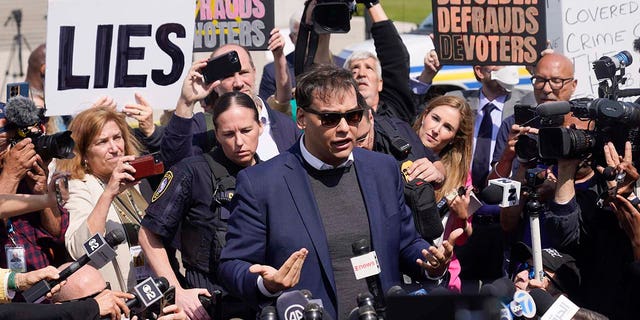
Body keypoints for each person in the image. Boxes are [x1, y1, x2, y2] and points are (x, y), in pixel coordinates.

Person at [219, 65, 462, 319]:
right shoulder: (262, 183)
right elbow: (232, 266)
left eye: (353, 116)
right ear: (301, 118)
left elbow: (406, 243)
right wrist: (266, 284)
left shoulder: (383, 170)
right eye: (330, 119)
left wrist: (431, 263)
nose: (345, 128)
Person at [139, 92, 262, 320]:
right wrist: (177, 292)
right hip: (207, 306)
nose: (239, 142)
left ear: (260, 126)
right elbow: (148, 234)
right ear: (216, 134)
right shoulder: (191, 172)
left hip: (260, 303)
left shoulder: (274, 174)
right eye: (228, 134)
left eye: (246, 130)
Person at [161, 30, 300, 169]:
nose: (238, 82)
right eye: (228, 76)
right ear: (214, 84)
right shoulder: (203, 127)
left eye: (243, 73)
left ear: (254, 72)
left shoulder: (285, 125)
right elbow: (174, 164)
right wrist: (186, 102)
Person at [56, 106, 149, 293]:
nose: (115, 148)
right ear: (84, 155)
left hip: (147, 291)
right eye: (102, 142)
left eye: (117, 137)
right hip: (114, 298)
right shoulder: (77, 185)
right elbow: (81, 249)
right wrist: (109, 194)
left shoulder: (135, 180)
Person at [412, 95, 475, 292]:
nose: (436, 130)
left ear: (454, 138)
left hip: (440, 274)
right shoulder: (392, 153)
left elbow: (463, 238)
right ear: (424, 116)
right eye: (435, 118)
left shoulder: (461, 175)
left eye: (448, 127)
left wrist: (463, 216)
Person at [0, 100, 68, 274]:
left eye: (17, 140)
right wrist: (10, 175)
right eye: (5, 142)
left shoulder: (26, 177)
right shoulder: (13, 172)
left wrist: (41, 194)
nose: (16, 150)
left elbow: (57, 233)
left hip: (44, 287)